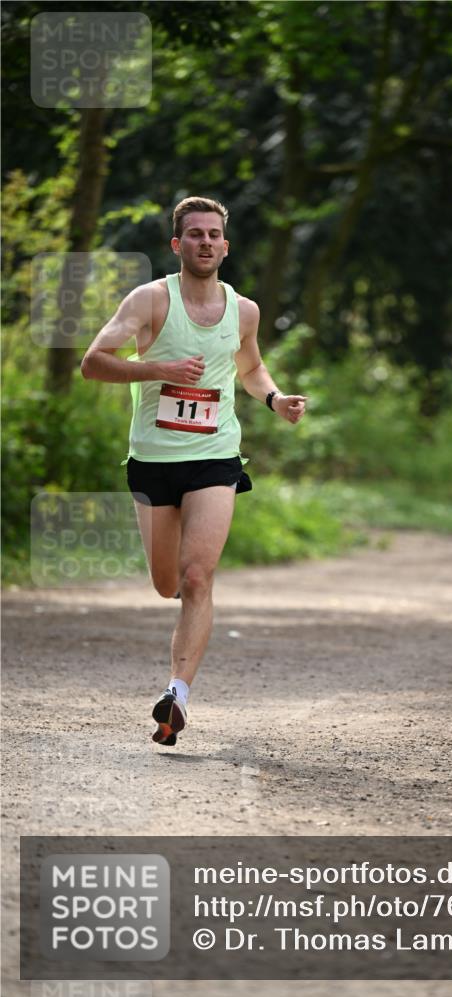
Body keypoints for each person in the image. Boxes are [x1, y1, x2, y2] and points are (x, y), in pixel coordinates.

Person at [81, 196, 307, 745]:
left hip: (215, 455)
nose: (205, 242)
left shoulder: (244, 311)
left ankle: (177, 695)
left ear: (225, 247)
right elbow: (93, 363)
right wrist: (159, 368)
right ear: (177, 244)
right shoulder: (150, 300)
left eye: (213, 235)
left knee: (197, 577)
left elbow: (250, 366)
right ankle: (177, 675)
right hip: (154, 459)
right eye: (195, 234)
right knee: (167, 585)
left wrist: (274, 398)